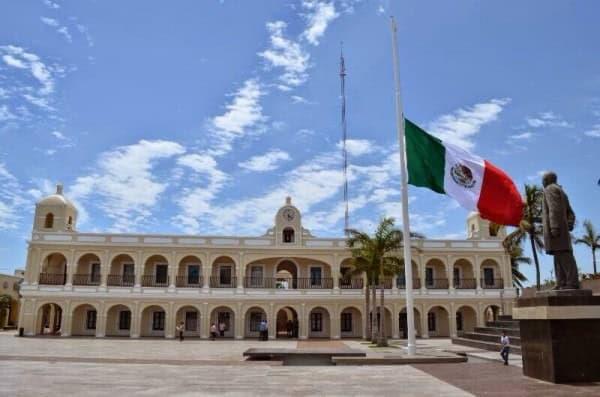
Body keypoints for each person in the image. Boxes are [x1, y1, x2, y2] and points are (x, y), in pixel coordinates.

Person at [541, 171, 579, 289]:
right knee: (559, 255)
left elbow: (554, 209)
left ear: (546, 180)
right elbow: (571, 213)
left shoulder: (550, 189)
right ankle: (561, 282)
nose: (542, 182)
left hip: (556, 229)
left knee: (564, 255)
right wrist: (569, 224)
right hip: (562, 228)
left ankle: (571, 283)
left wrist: (554, 227)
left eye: (543, 180)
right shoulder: (561, 191)